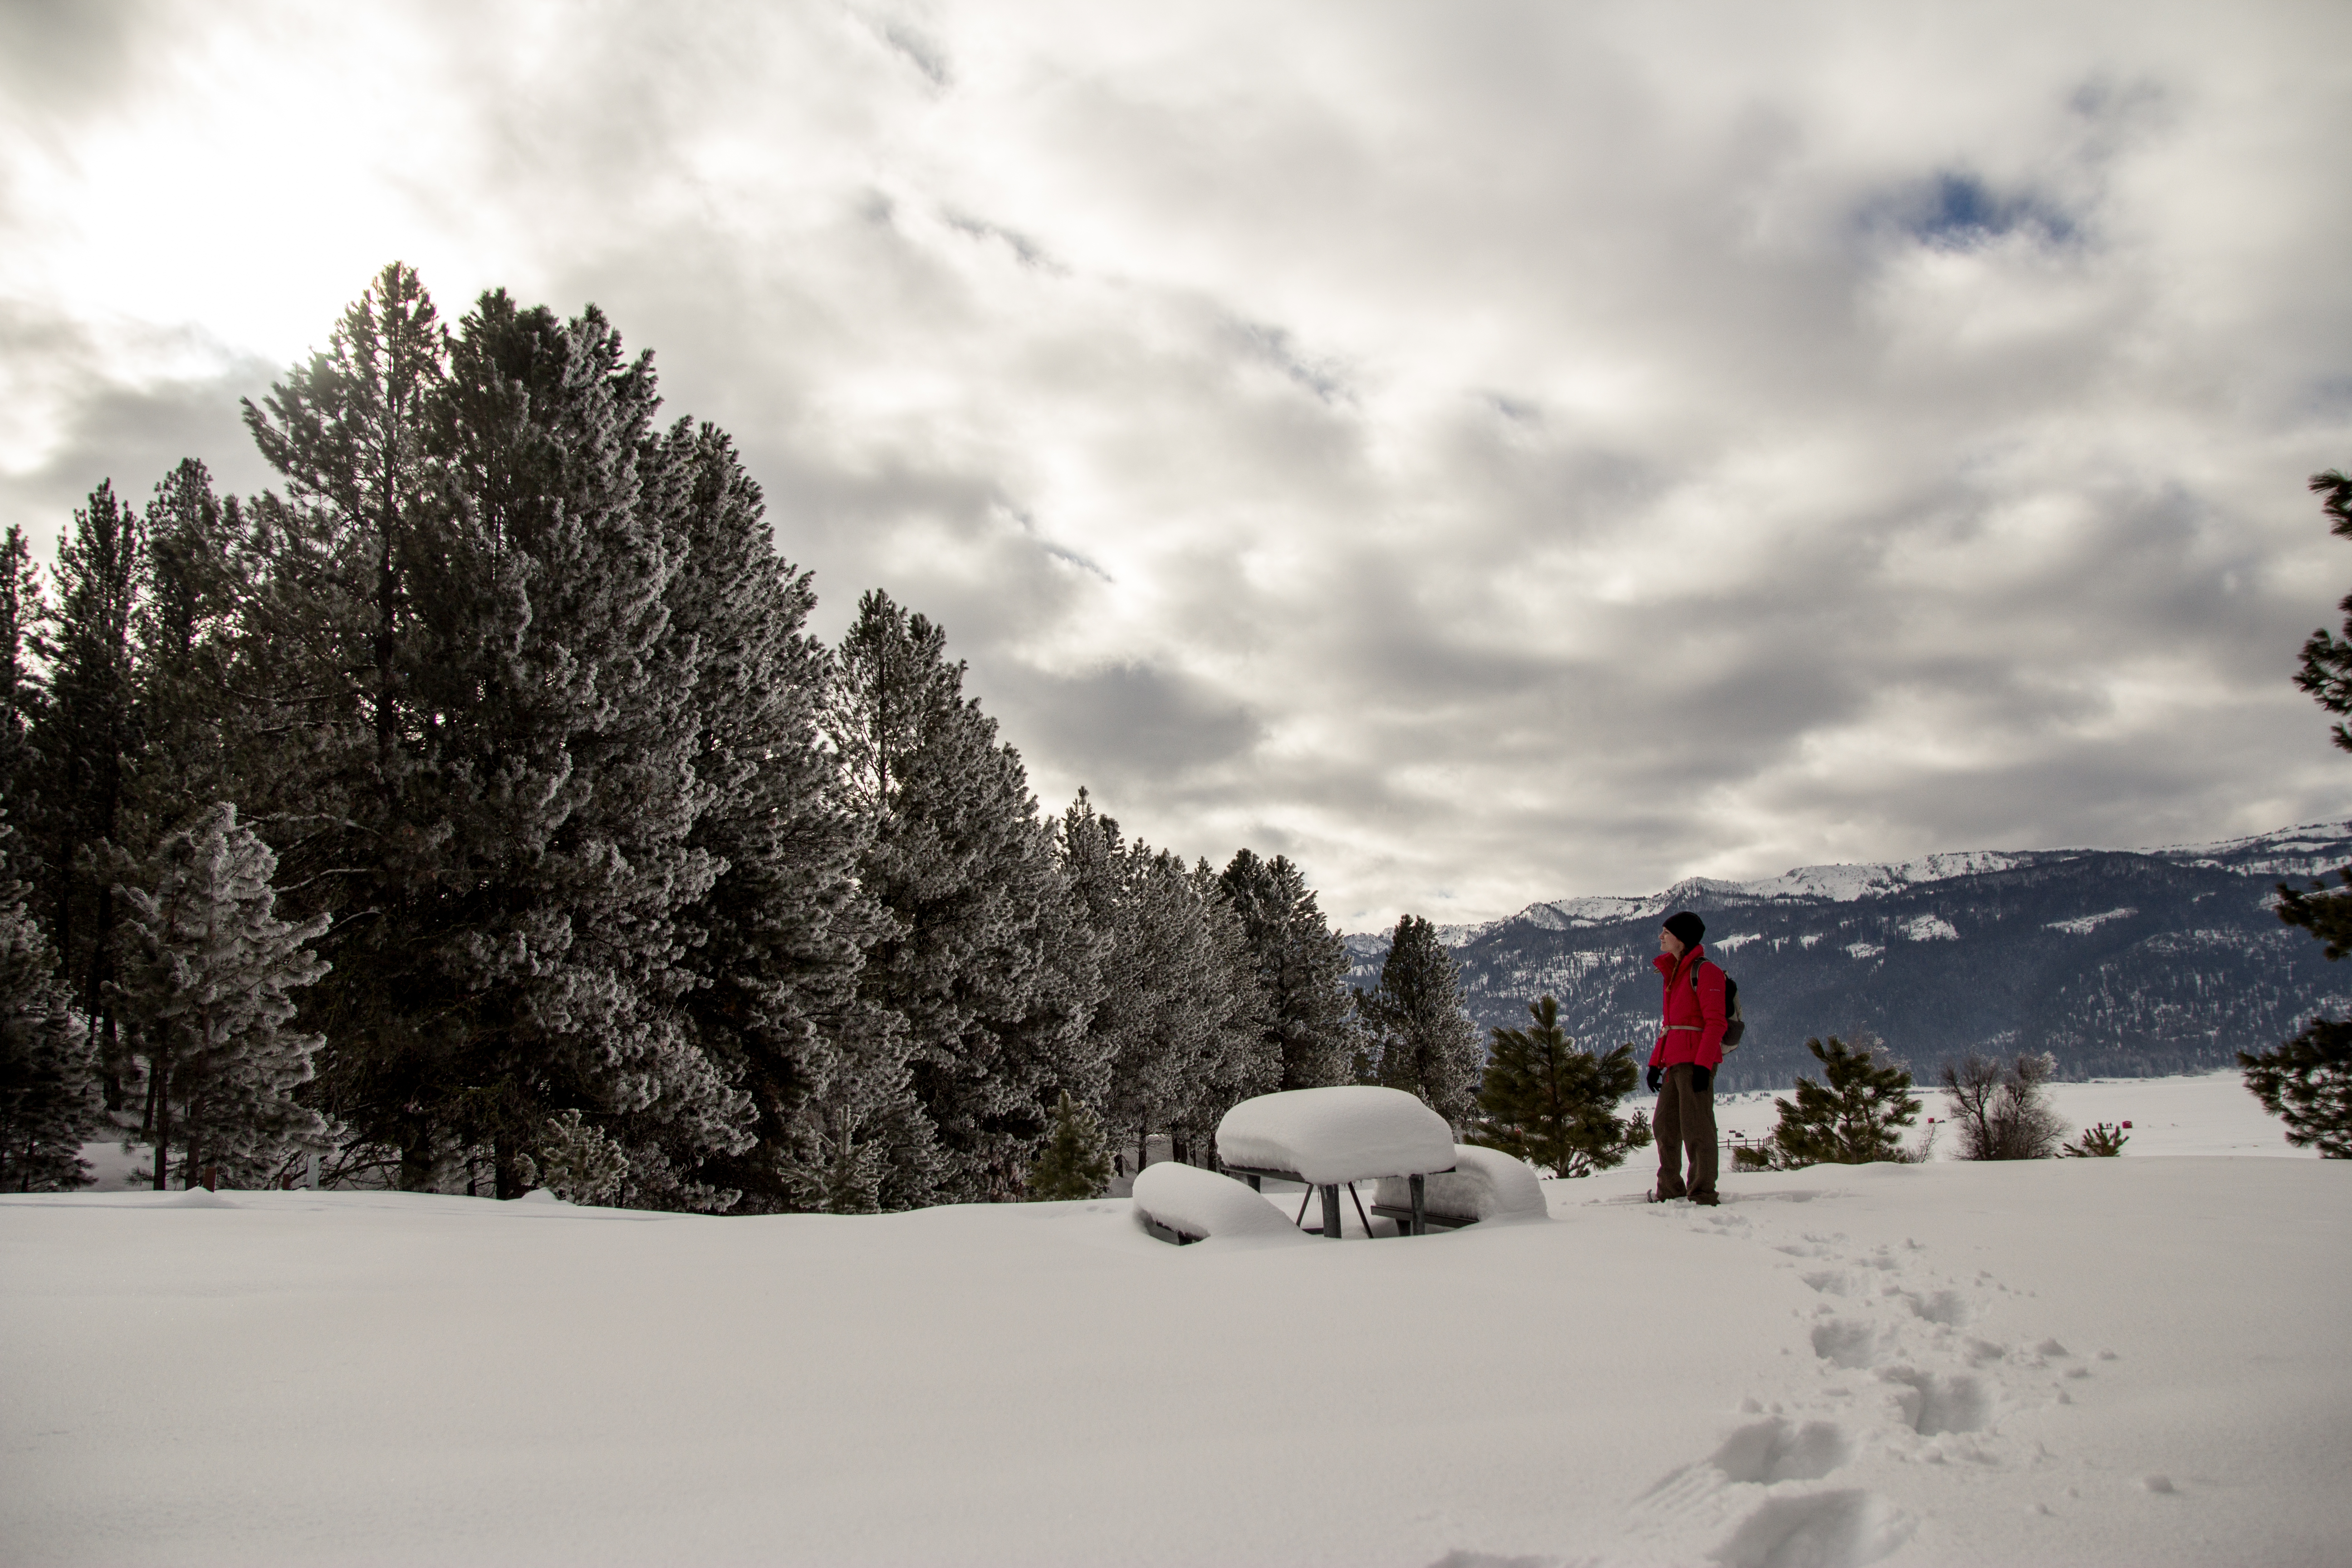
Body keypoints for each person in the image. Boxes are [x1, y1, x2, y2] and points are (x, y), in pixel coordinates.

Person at [1646, 909, 1727, 1205]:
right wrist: (1655, 1063)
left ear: (1681, 939)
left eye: (1666, 932)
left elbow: (1716, 1023)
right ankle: (1670, 1190)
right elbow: (1669, 1025)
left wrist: (1704, 1065)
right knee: (1665, 1126)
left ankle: (1703, 1193)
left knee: (1697, 1128)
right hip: (1674, 1062)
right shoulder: (1674, 973)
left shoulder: (1706, 972)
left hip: (1695, 1062)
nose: (1661, 936)